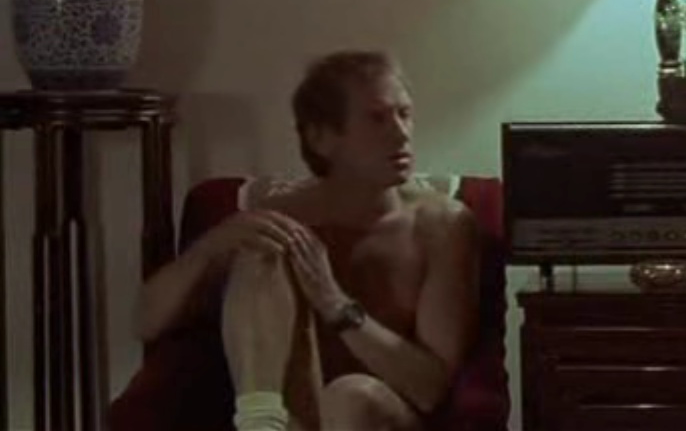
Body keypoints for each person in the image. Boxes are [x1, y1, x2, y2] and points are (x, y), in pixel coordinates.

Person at [133, 50, 480, 431]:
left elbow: (430, 389)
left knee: (351, 396)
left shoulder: (440, 225)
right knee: (266, 245)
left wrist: (335, 304)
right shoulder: (277, 216)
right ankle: (260, 422)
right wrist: (211, 246)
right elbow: (147, 322)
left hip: (380, 412)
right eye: (377, 118)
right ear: (321, 138)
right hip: (295, 414)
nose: (402, 134)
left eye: (405, 114)